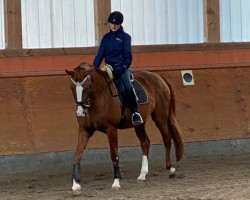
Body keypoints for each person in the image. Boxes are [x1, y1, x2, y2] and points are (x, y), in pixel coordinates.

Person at [93, 11, 143, 125]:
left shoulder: (125, 37)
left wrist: (123, 67)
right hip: (108, 68)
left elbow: (128, 56)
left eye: (116, 24)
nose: (113, 26)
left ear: (120, 24)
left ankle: (136, 112)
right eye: (111, 23)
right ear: (109, 23)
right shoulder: (106, 38)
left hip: (121, 68)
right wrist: (94, 68)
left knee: (127, 86)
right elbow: (100, 55)